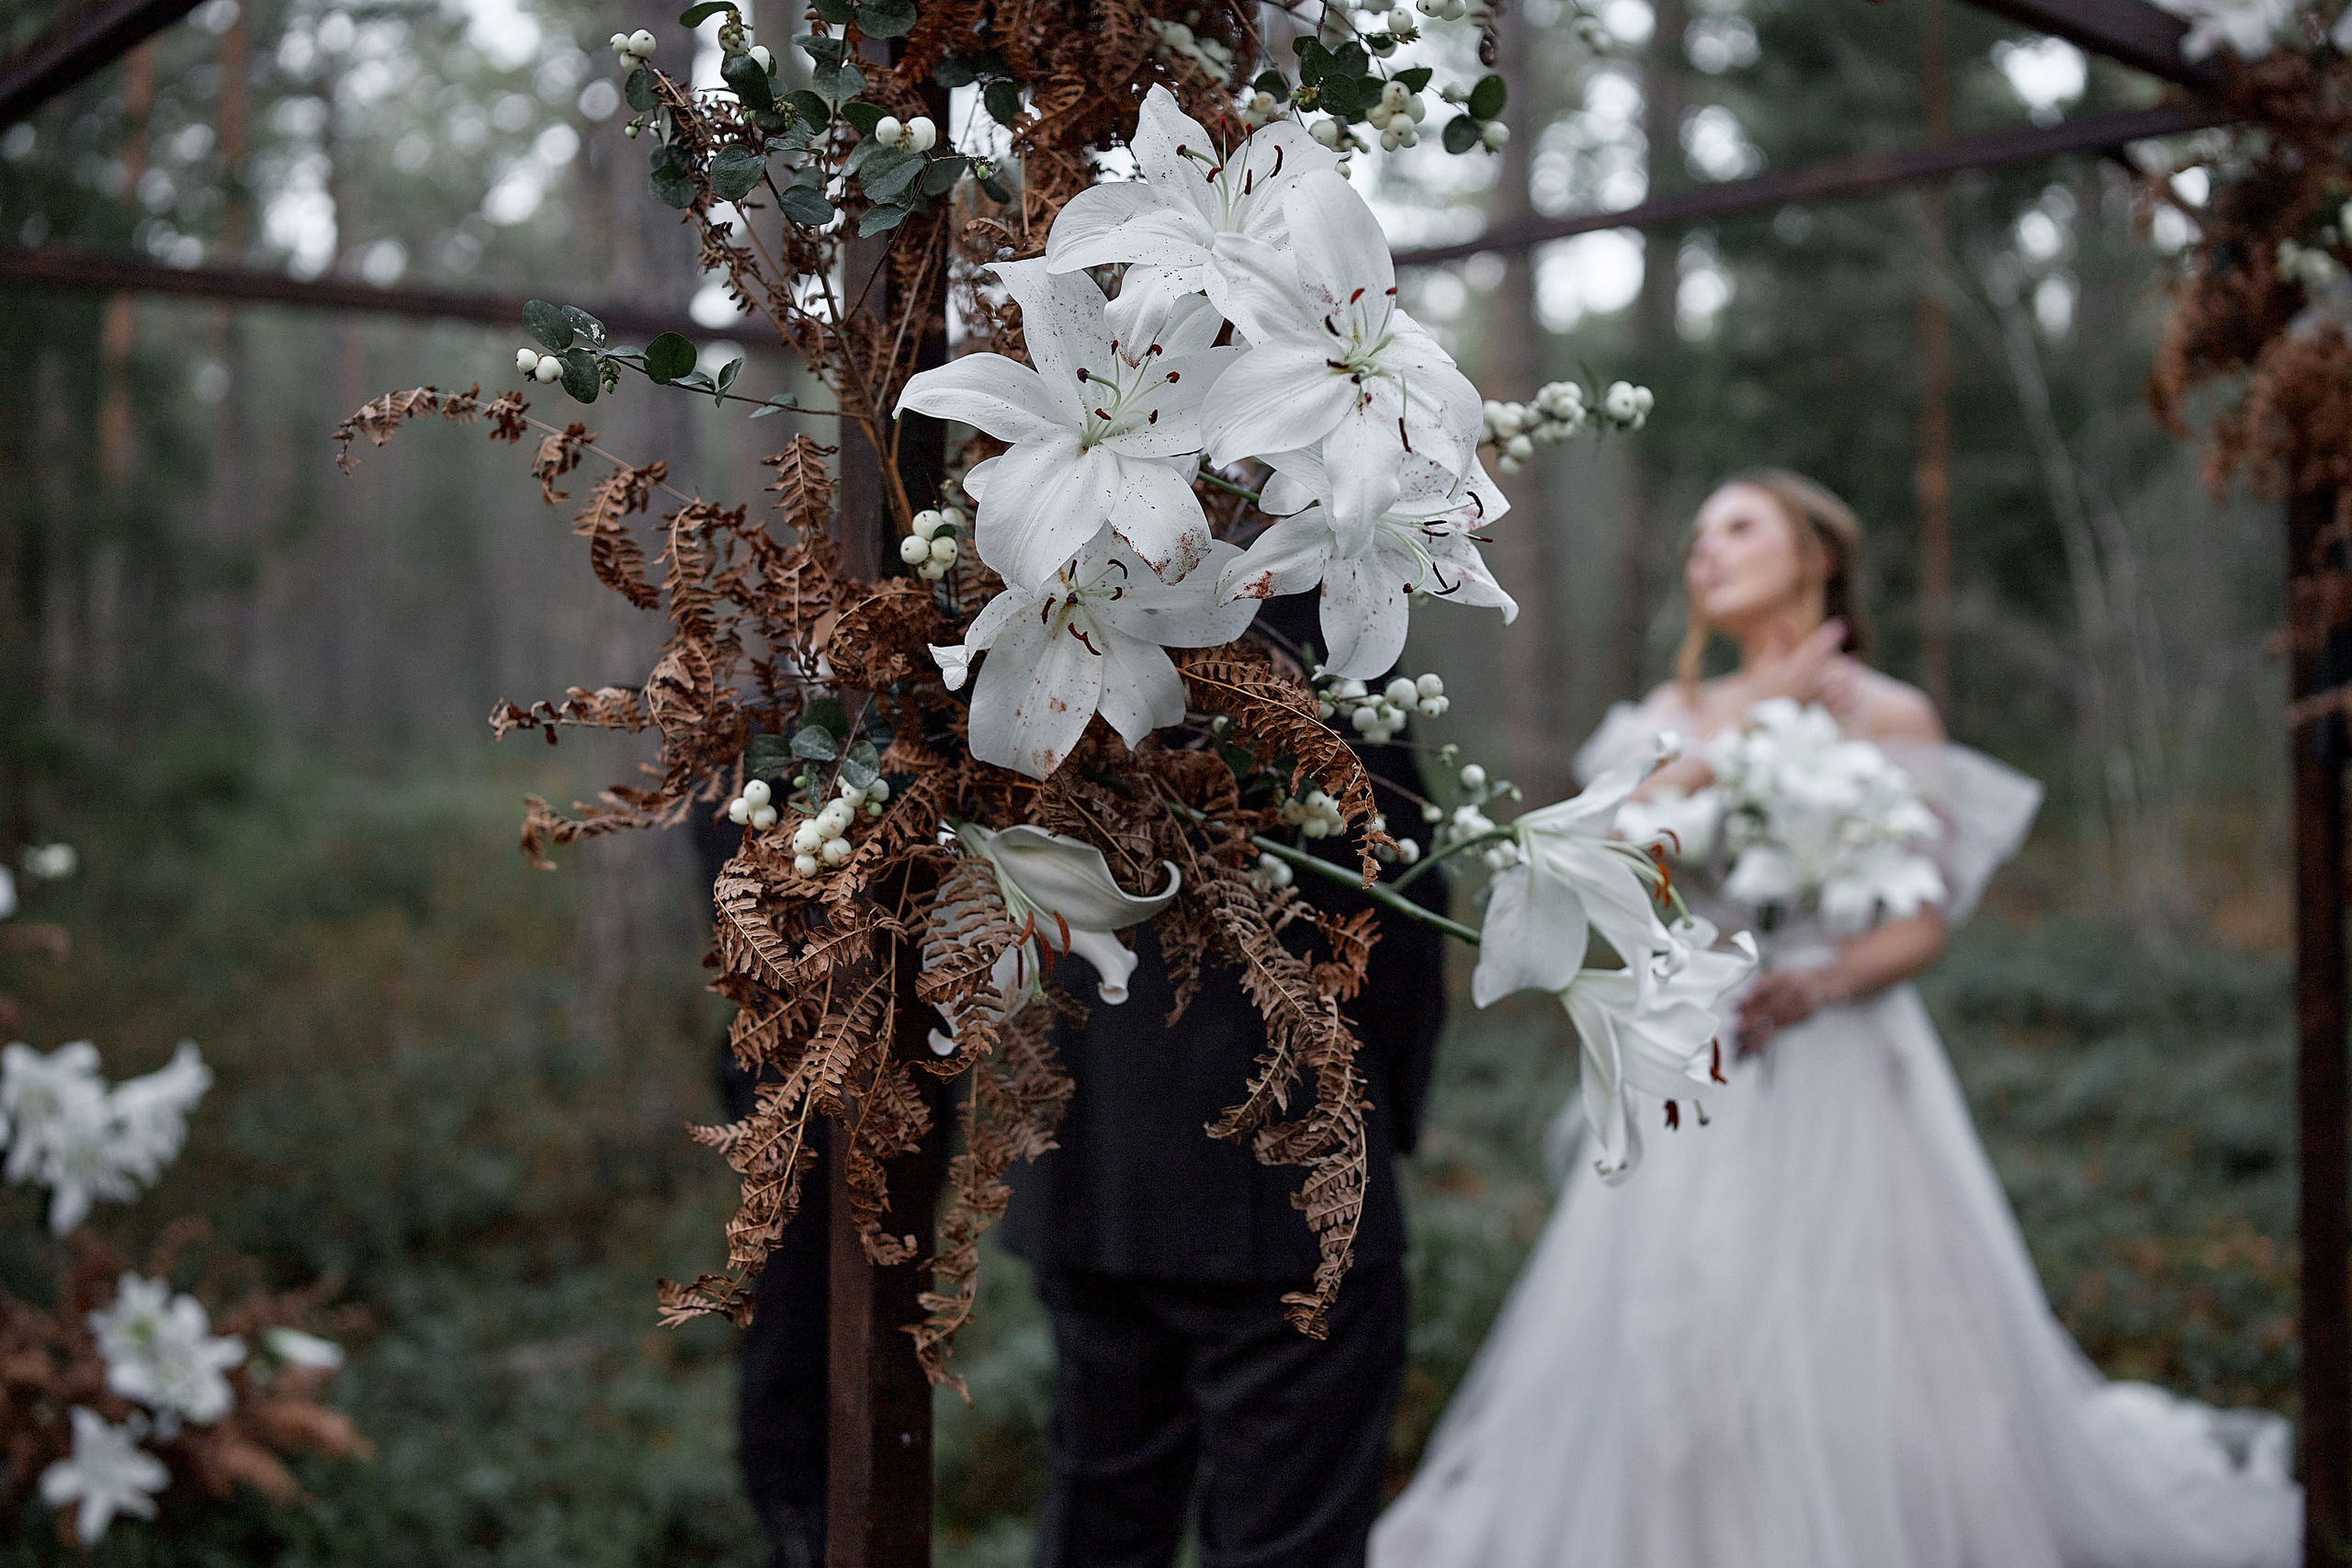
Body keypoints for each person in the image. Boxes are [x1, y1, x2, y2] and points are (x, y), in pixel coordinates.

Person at [1372, 470, 2301, 1568]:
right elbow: (1611, 865)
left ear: (1813, 556)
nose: (1703, 552)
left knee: (1863, 1335)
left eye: (1738, 525)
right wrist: (1758, 716)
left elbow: (1919, 923)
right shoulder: (1665, 720)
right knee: (1683, 1322)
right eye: (1697, 534)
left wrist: (1818, 982)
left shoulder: (1890, 714)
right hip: (1694, 1054)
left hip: (1843, 1060)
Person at [999, 592, 1452, 1568]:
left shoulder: (1035, 602)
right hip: (1288, 1181)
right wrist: (1386, 1117)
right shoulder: (1321, 620)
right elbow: (1394, 896)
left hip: (1091, 1163)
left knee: (1100, 1522)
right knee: (1283, 1542)